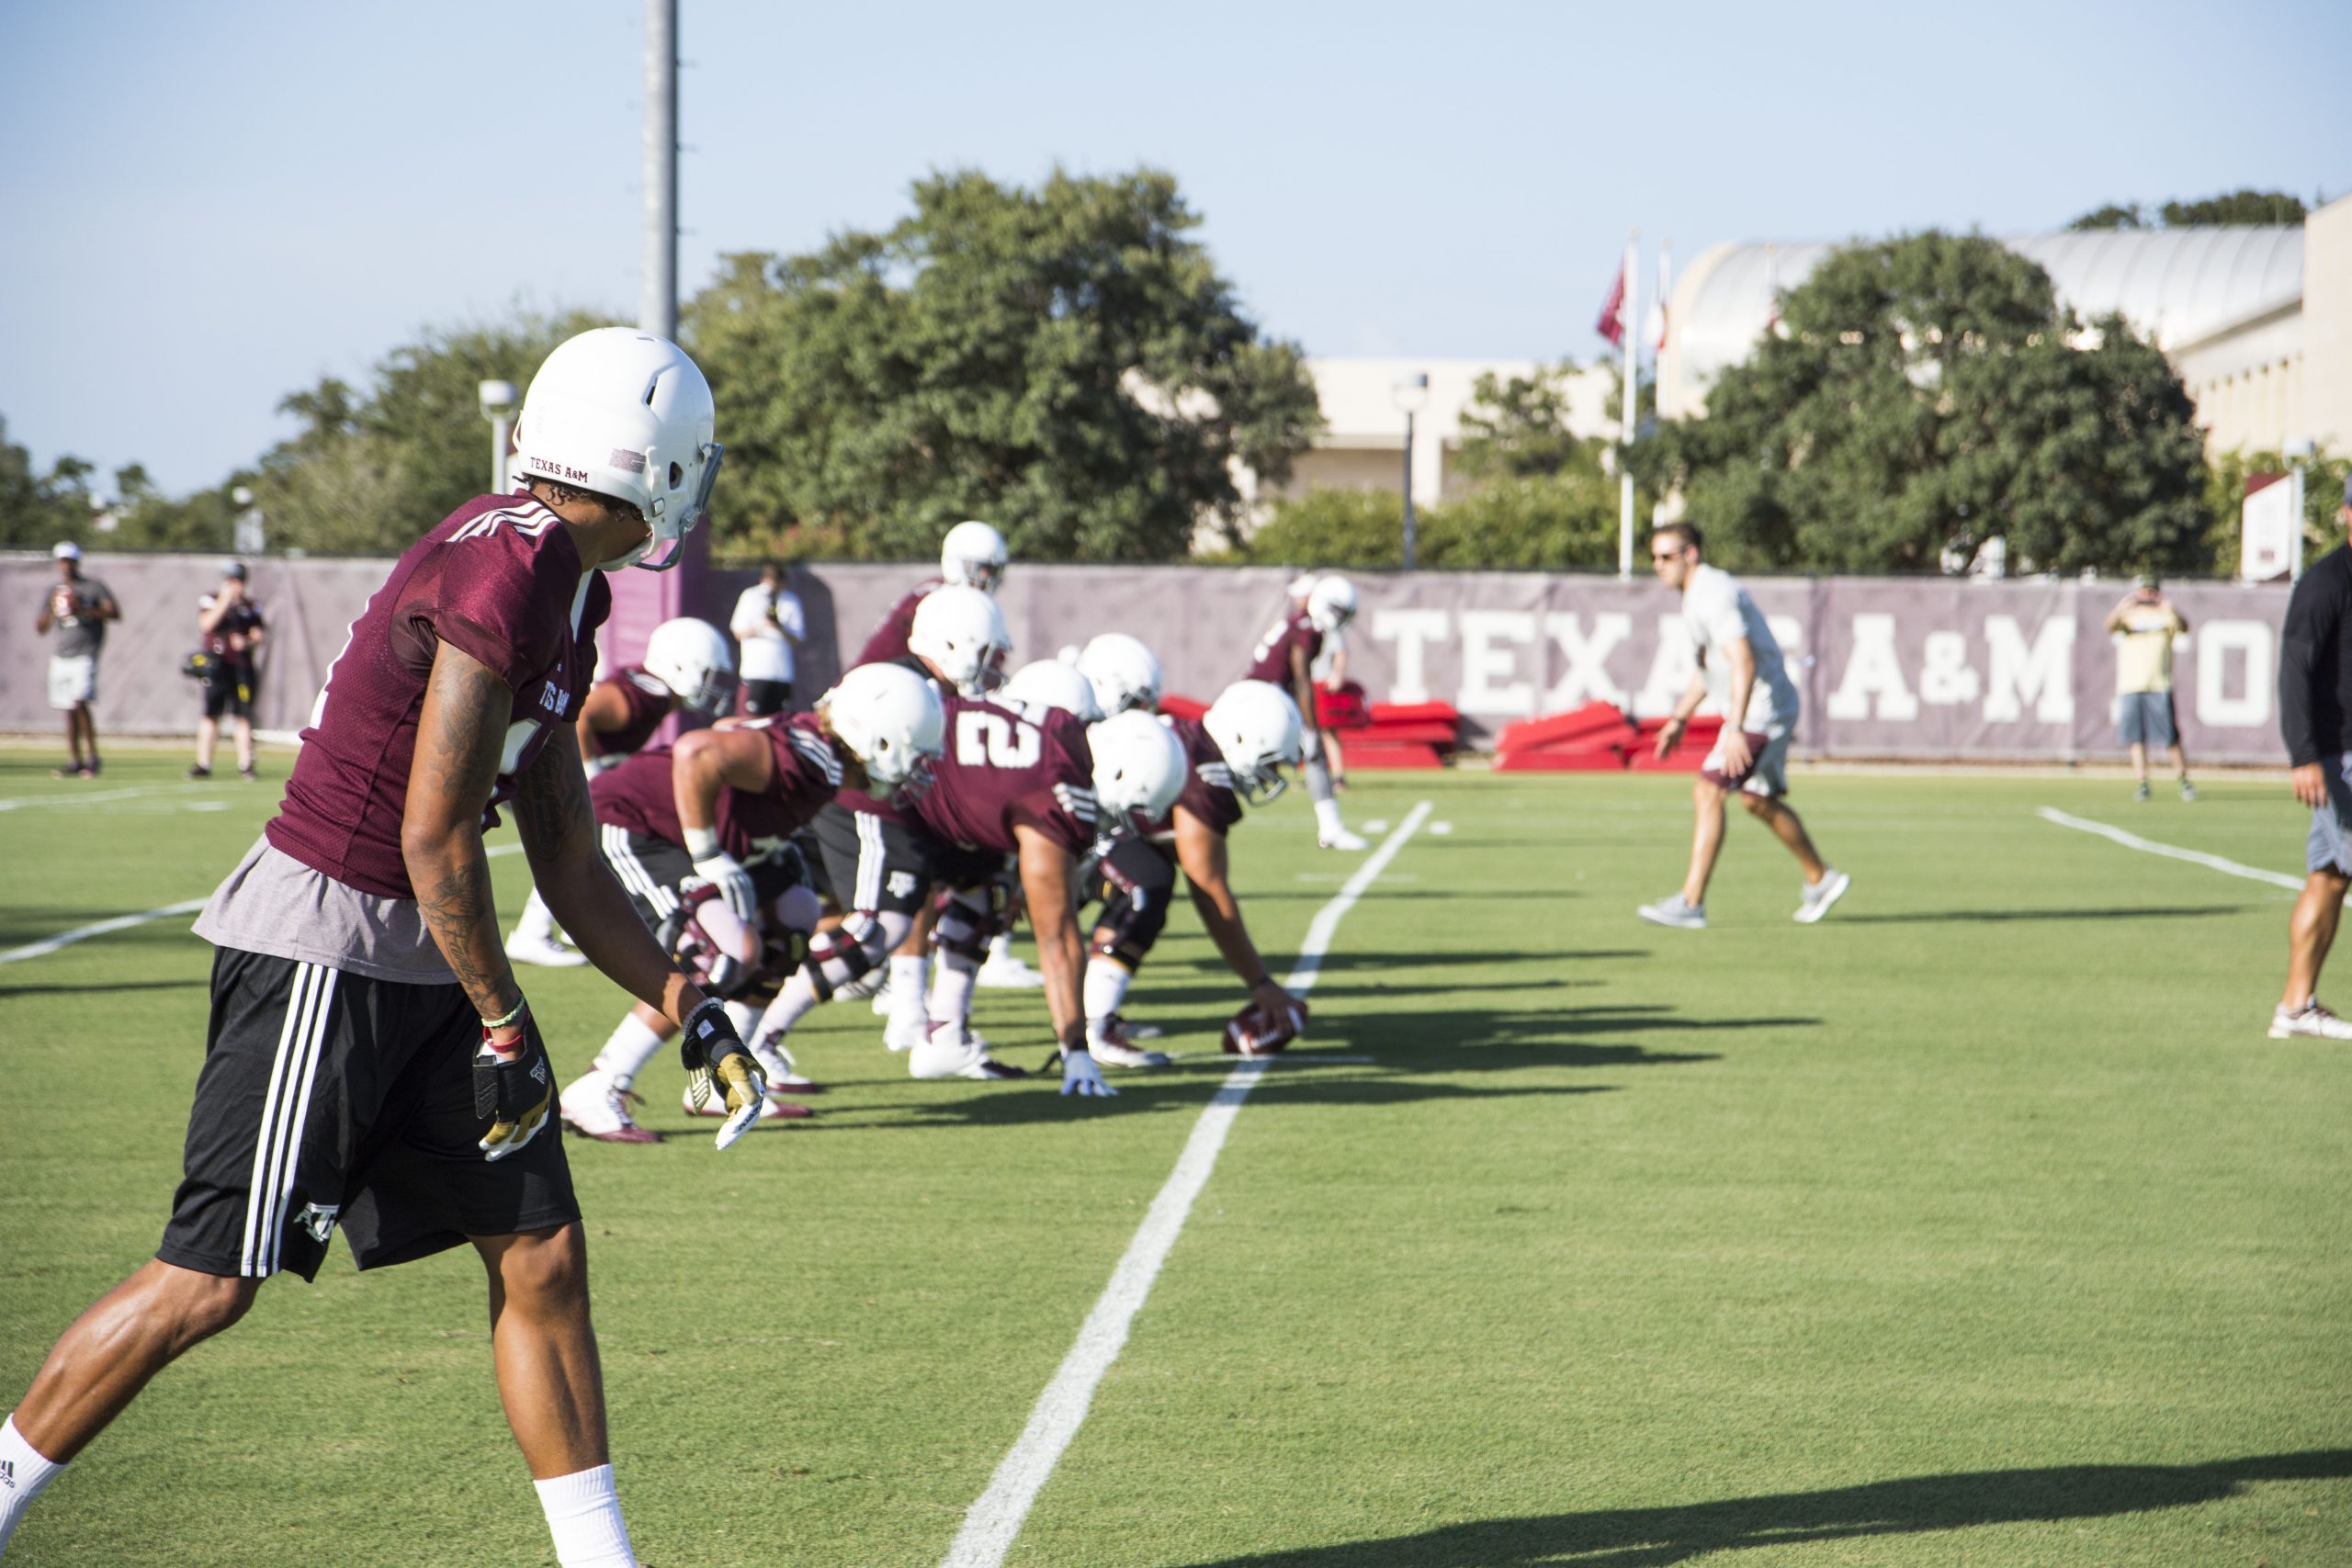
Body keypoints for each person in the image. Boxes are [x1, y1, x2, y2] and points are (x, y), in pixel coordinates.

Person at [0, 328, 763, 1568]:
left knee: (541, 1250)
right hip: (333, 939)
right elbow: (433, 833)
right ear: (657, 463)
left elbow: (562, 845)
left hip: (423, 944)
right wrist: (510, 1023)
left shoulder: (569, 581)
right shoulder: (514, 567)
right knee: (210, 1278)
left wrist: (693, 996)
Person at [557, 662, 944, 1144]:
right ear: (878, 738)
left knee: (796, 912)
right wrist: (708, 853)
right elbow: (698, 751)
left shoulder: (820, 755)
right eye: (915, 754)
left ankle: (733, 1075)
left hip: (682, 833)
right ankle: (602, 1081)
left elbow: (728, 729)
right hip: (631, 824)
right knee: (724, 949)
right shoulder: (807, 757)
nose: (918, 770)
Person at [1081, 679, 1308, 1066]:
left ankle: (1096, 1017)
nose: (1271, 775)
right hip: (1073, 822)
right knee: (1146, 886)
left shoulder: (1193, 739)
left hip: (1088, 825)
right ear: (1241, 741)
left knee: (1147, 874)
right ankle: (1096, 1029)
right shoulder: (1206, 777)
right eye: (1270, 762)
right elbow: (1208, 889)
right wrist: (1261, 984)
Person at [1636, 523, 1849, 930]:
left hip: (1760, 713)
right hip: (1765, 709)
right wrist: (1681, 717)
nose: (1658, 566)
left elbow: (1743, 661)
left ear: (1691, 554)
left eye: (1666, 556)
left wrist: (1735, 726)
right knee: (1756, 800)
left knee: (1708, 790)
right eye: (1654, 558)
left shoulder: (1713, 594)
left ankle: (1690, 902)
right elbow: (1713, 668)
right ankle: (1821, 878)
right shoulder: (1696, 595)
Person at [506, 616, 735, 968]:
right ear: (679, 664)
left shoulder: (652, 691)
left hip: (541, 767)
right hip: (537, 770)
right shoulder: (646, 696)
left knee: (588, 847)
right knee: (574, 844)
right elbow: (583, 715)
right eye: (705, 674)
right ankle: (532, 933)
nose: (710, 685)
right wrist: (592, 776)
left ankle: (571, 925)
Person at [2272, 472, 2352, 1041]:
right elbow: (2294, 666)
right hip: (2338, 756)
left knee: (2326, 879)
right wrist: (2303, 753)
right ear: (2347, 513)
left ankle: (2295, 1008)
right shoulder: (2327, 580)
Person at [1244, 573, 1365, 850]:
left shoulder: (1305, 623)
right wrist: (1310, 729)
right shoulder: (1307, 628)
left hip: (1265, 694)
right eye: (1338, 610)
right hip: (1264, 698)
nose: (1341, 617)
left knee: (1312, 755)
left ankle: (1331, 828)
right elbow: (1302, 680)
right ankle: (1331, 828)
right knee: (1309, 752)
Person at [852, 519, 1008, 669]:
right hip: (890, 683)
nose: (987, 578)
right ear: (954, 563)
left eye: (993, 570)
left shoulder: (979, 608)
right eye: (980, 568)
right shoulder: (932, 602)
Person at [35, 541, 119, 779]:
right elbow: (40, 628)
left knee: (80, 701)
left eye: (69, 561)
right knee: (67, 708)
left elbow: (113, 613)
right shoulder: (54, 590)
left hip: (86, 653)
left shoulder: (93, 587)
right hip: (62, 655)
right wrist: (53, 609)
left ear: (76, 562)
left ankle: (93, 758)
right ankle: (75, 760)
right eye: (61, 561)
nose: (65, 566)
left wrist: (82, 608)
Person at [2106, 578, 2195, 801]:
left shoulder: (2165, 616)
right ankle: (2142, 781)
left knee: (2169, 738)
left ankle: (2183, 779)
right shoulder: (2129, 616)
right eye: (2143, 591)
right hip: (2131, 685)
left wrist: (2170, 607)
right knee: (2136, 737)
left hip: (2158, 683)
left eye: (2150, 591)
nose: (2146, 596)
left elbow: (2184, 627)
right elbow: (2109, 625)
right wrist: (2121, 607)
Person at [190, 561, 266, 781]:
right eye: (229, 580)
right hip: (217, 667)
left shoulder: (251, 606)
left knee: (243, 715)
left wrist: (247, 642)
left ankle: (246, 763)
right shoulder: (211, 599)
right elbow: (207, 624)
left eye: (237, 581)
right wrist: (225, 601)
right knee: (211, 714)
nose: (233, 585)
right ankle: (203, 763)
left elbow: (258, 634)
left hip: (241, 667)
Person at [729, 561, 805, 716]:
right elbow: (738, 632)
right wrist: (761, 625)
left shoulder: (790, 600)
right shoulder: (751, 597)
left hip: (782, 674)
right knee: (750, 721)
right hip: (756, 671)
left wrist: (778, 627)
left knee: (779, 722)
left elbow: (798, 638)